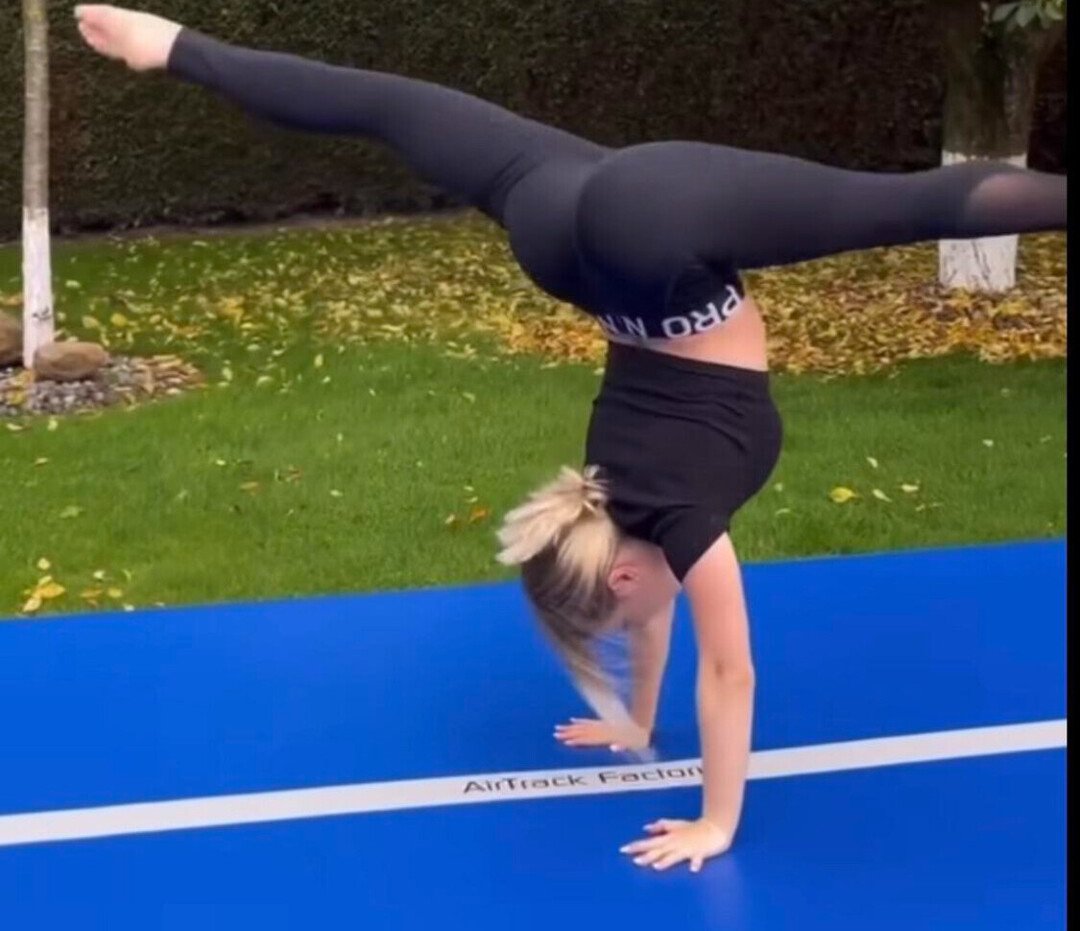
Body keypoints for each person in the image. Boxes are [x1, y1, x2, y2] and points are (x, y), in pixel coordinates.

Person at [74, 4, 1067, 873]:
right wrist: (634, 723)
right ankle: (174, 46)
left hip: (662, 224)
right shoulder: (600, 494)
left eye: (616, 622)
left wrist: (717, 821)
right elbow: (643, 608)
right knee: (393, 109)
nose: (635, 629)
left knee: (910, 207)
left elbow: (732, 674)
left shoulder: (685, 526)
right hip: (558, 227)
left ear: (623, 573)